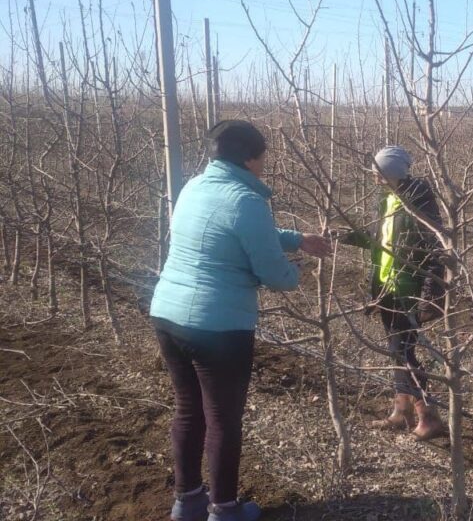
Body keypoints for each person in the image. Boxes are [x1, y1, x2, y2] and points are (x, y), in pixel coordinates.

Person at [150, 120, 331, 521]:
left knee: (187, 409)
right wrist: (296, 267)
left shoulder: (194, 188)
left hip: (167, 313)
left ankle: (188, 501)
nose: (264, 164)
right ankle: (226, 509)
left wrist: (296, 238)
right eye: (263, 157)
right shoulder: (247, 201)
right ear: (251, 158)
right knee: (223, 419)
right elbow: (275, 275)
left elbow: (237, 230)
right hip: (217, 326)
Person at [339, 145, 446, 441]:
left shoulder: (418, 203)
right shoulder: (388, 200)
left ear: (391, 173)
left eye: (378, 172)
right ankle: (402, 412)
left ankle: (428, 415)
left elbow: (436, 250)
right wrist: (347, 235)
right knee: (396, 351)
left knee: (404, 352)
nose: (373, 177)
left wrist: (430, 295)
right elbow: (382, 240)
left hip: (408, 288)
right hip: (387, 287)